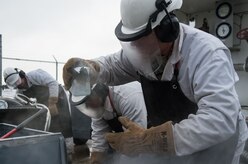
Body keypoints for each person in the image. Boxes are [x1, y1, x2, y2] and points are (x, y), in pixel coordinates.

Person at [63, 0, 248, 163]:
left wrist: (149, 140)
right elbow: (111, 65)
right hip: (178, 140)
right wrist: (90, 68)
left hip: (218, 143)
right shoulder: (144, 53)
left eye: (139, 39)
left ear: (167, 29)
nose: (134, 48)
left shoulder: (207, 53)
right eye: (131, 41)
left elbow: (220, 120)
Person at [64, 64, 147, 163]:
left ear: (98, 91)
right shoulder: (97, 106)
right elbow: (99, 140)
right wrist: (95, 161)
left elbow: (137, 143)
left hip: (150, 129)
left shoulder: (128, 97)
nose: (87, 106)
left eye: (88, 101)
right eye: (84, 103)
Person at [3, 67, 72, 135]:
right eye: (15, 84)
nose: (18, 85)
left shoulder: (34, 75)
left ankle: (69, 142)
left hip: (58, 95)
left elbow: (53, 83)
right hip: (44, 101)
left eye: (17, 81)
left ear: (21, 75)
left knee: (64, 119)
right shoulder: (20, 92)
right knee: (51, 123)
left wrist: (52, 103)